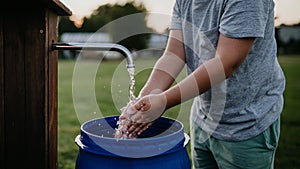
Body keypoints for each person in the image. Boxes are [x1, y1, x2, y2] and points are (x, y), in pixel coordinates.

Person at [118, 0, 286, 168]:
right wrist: (144, 100)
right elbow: (173, 54)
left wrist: (164, 101)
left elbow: (226, 63)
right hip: (204, 117)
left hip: (246, 123)